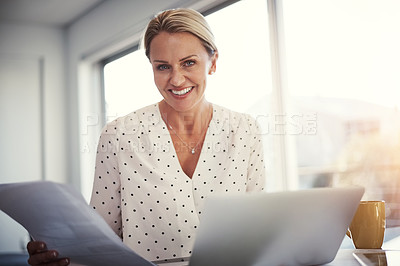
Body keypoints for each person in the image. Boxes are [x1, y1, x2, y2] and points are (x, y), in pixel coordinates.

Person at [27, 8, 266, 265]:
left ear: (213, 62)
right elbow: (100, 240)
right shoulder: (119, 135)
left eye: (189, 63)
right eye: (163, 67)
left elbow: (260, 229)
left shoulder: (244, 129)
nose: (176, 79)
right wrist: (64, 256)